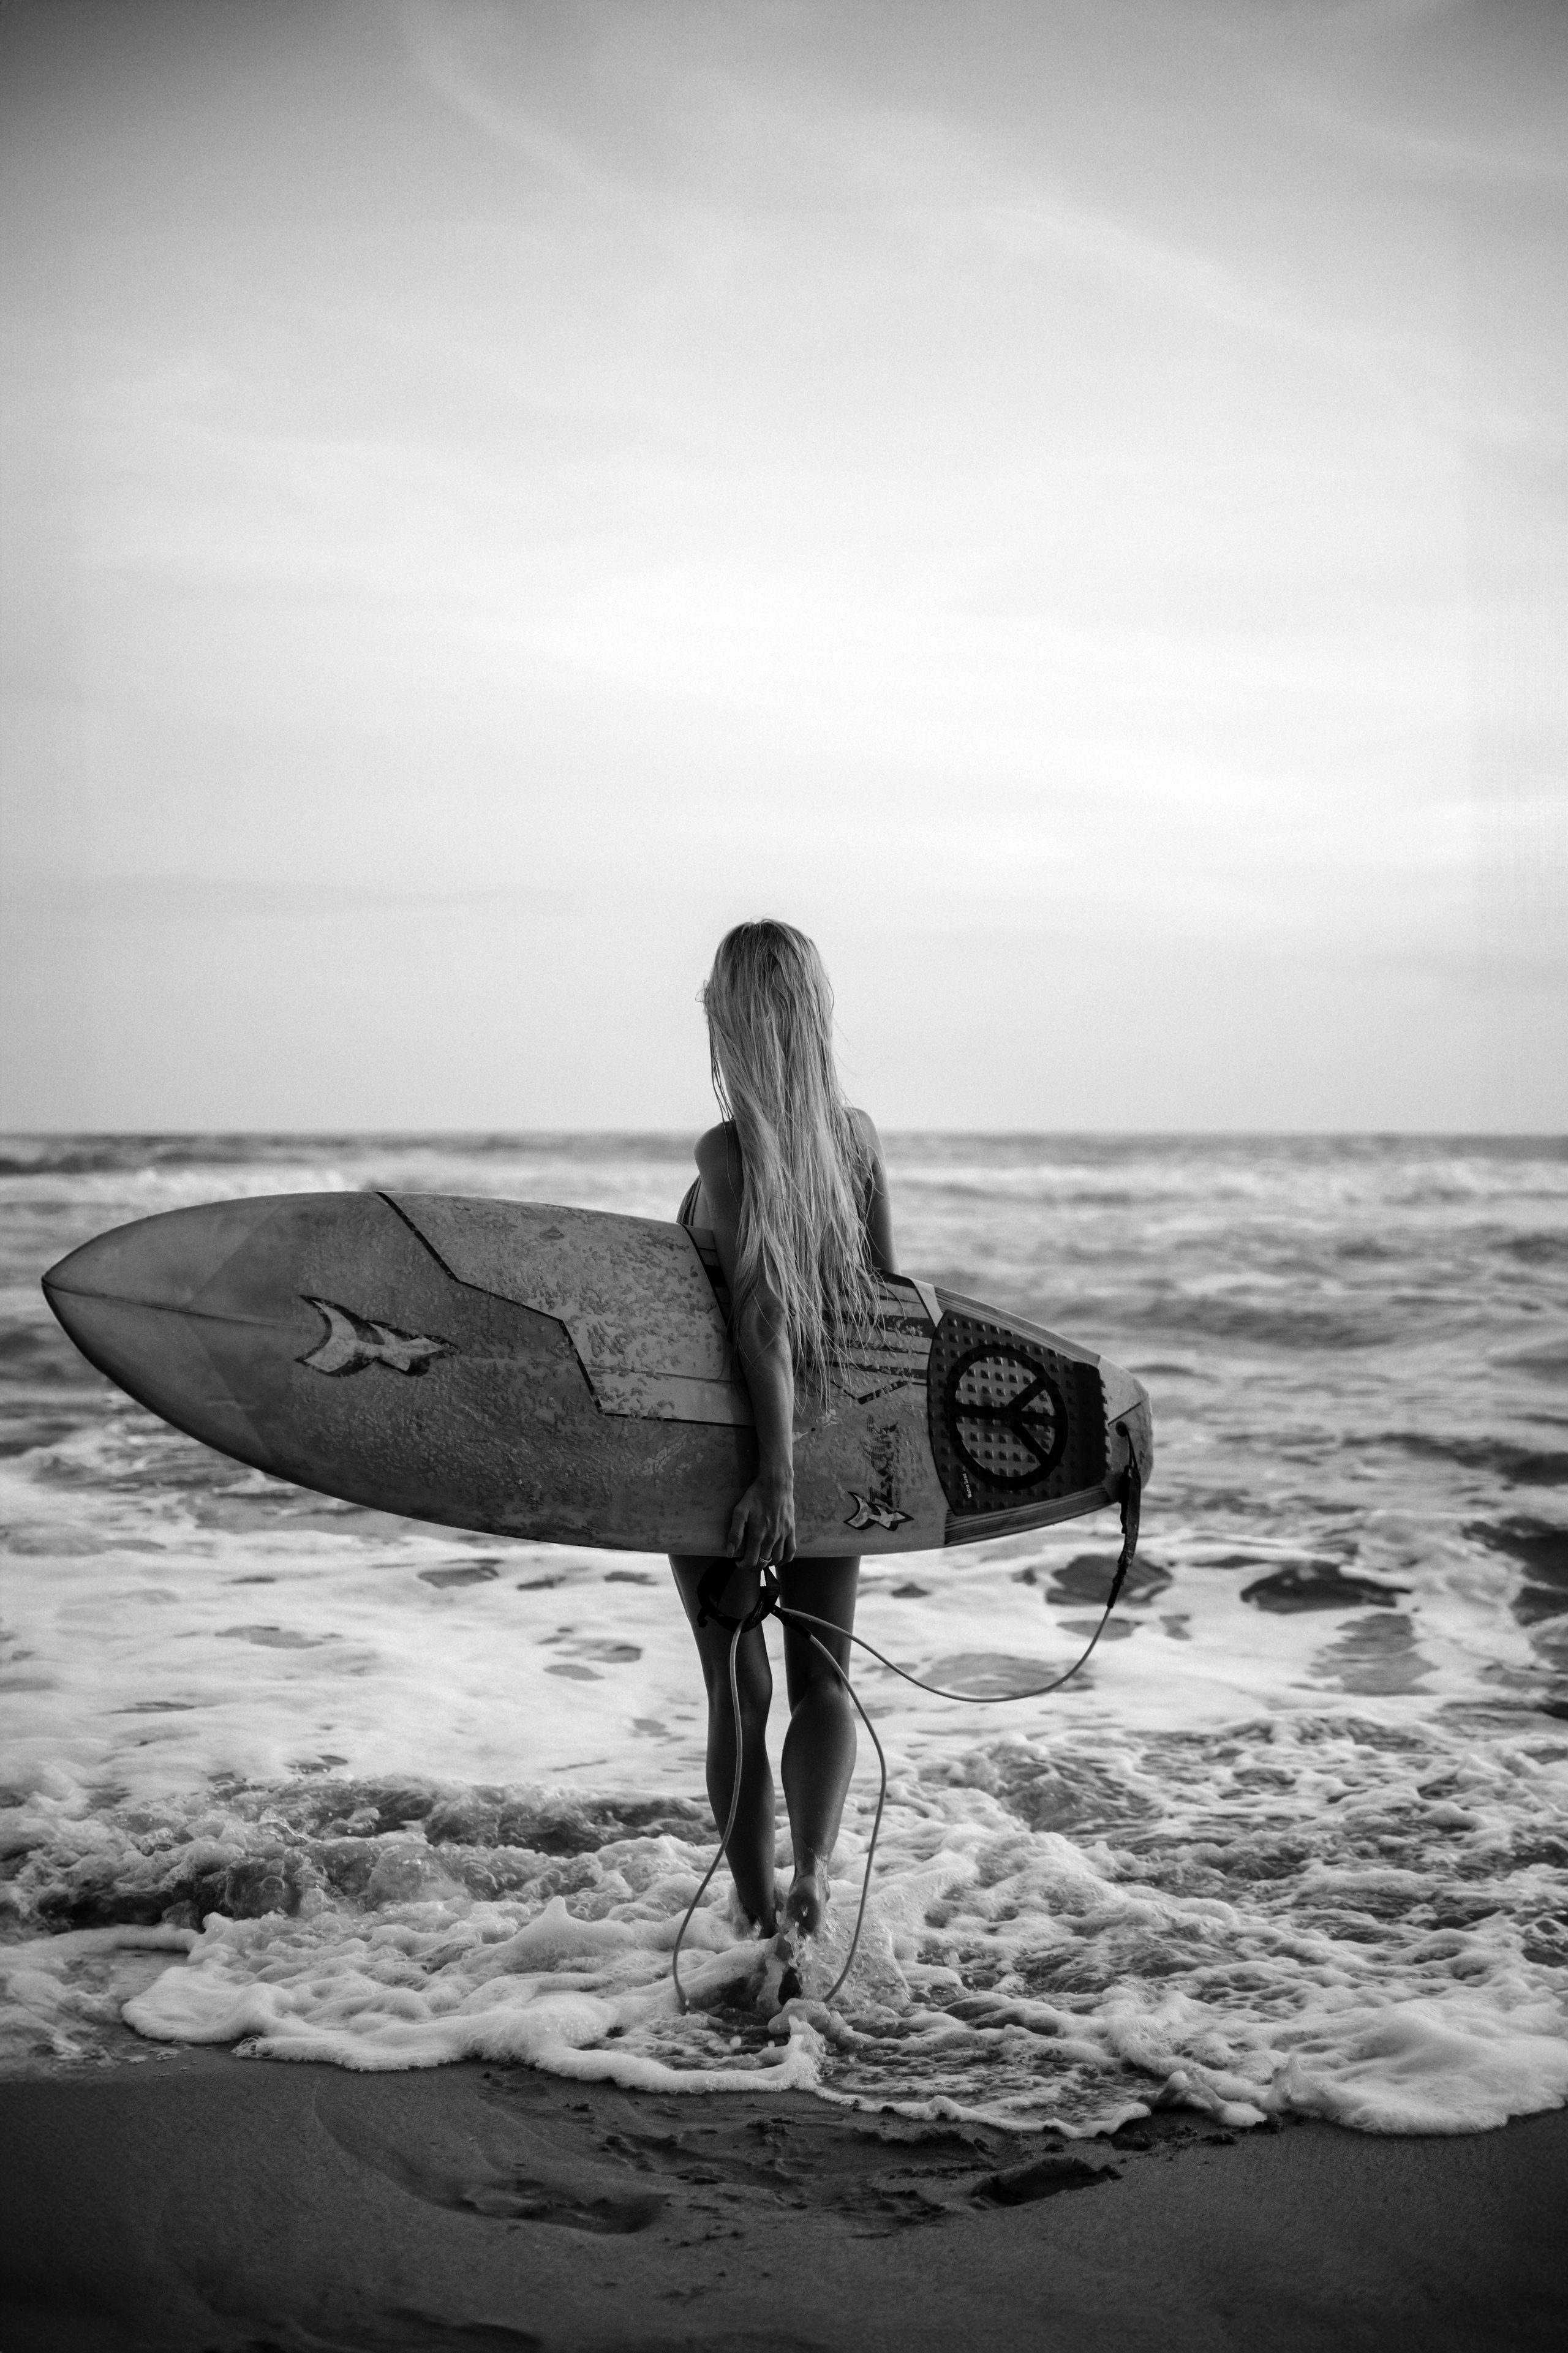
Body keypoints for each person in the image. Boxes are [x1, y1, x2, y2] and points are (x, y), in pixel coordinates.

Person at [669, 919, 897, 1970]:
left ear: (733, 1018)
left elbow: (756, 1315)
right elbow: (890, 1324)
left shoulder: (726, 1153)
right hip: (833, 1451)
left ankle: (756, 1925)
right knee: (822, 1684)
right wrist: (842, 1463)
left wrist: (773, 1475)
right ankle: (811, 1883)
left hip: (728, 1464)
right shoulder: (855, 1142)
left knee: (738, 1689)